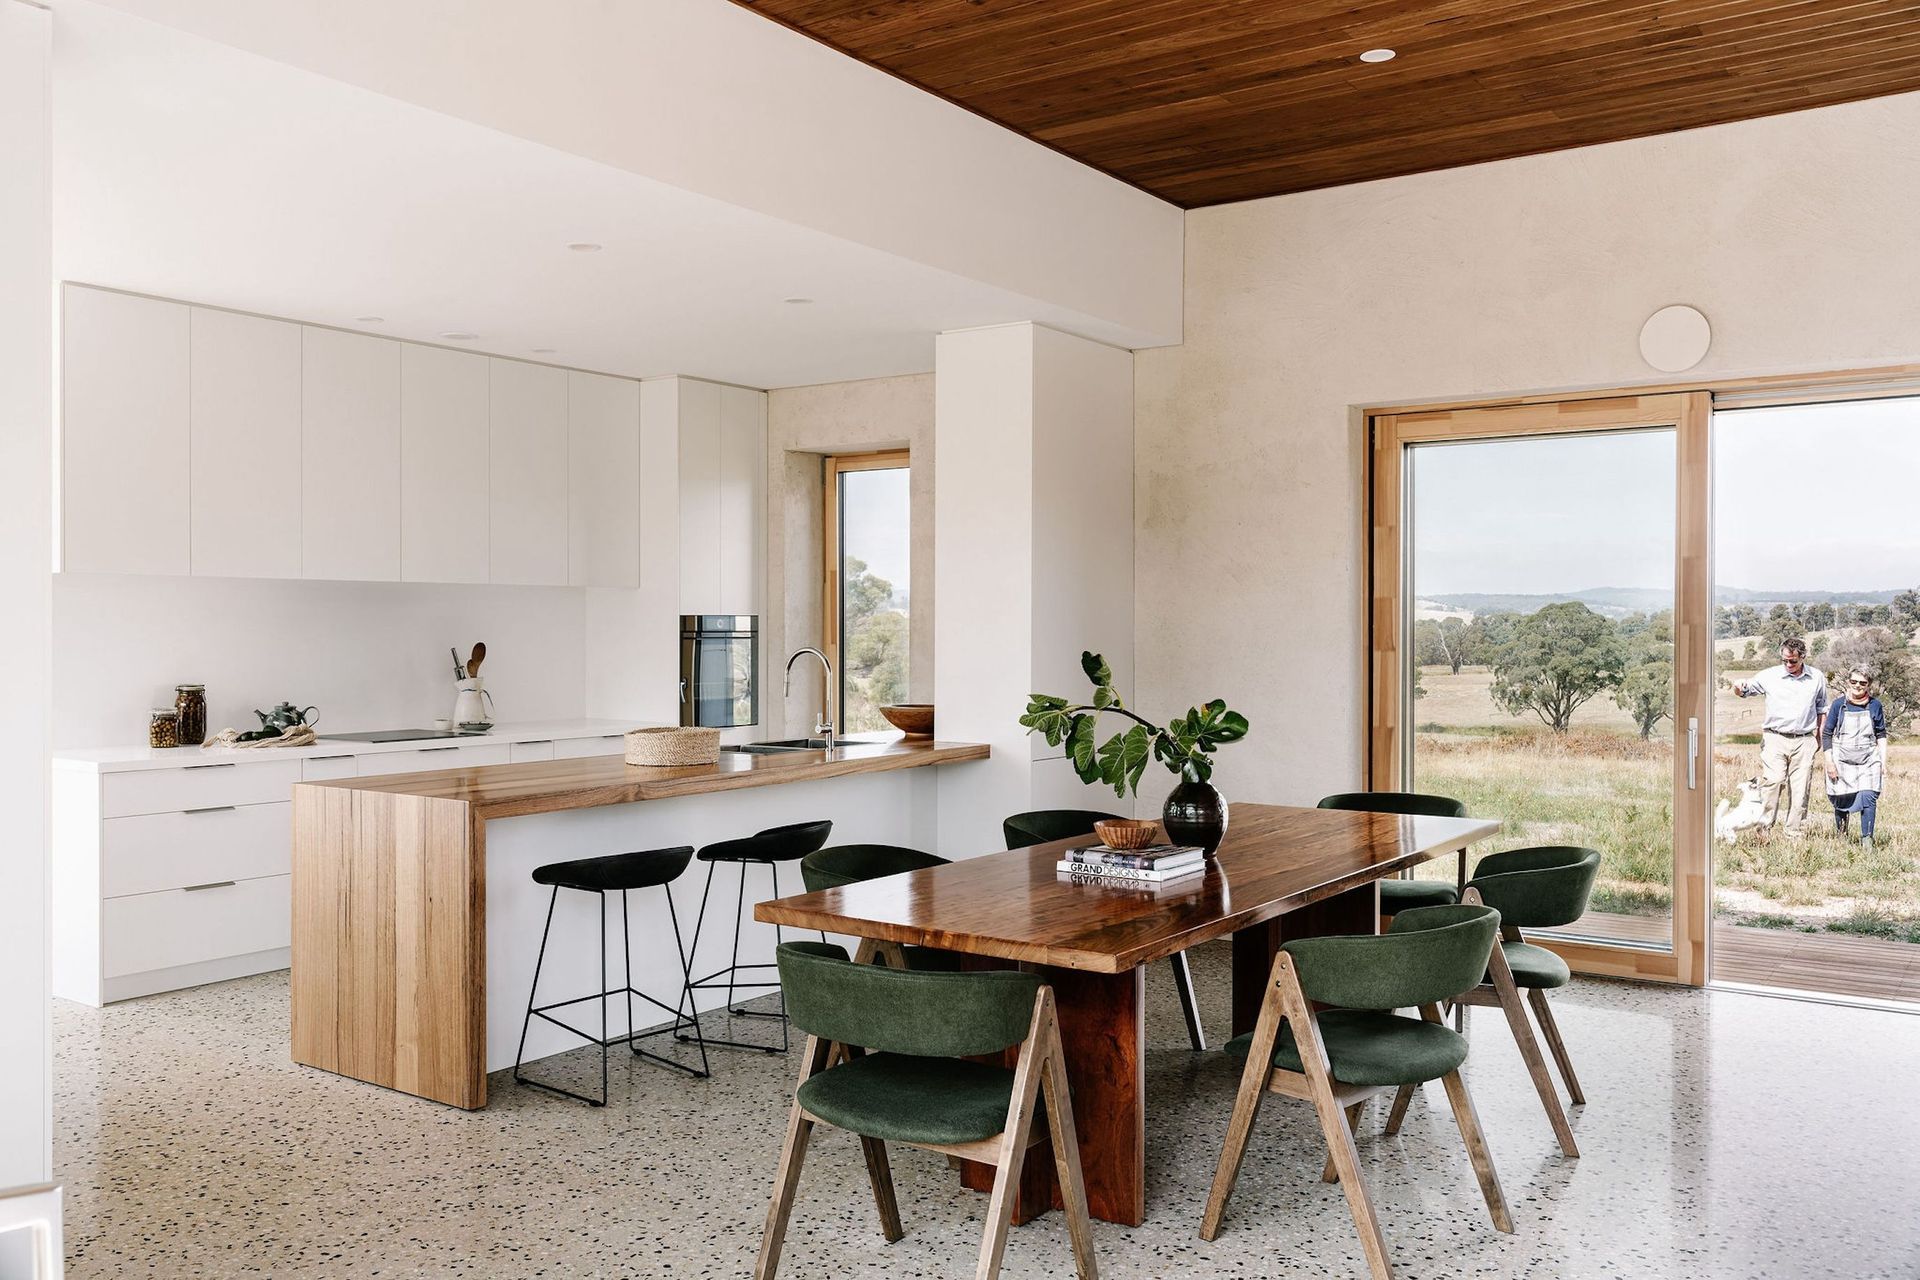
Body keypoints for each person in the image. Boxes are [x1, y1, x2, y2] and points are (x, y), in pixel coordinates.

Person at [1732, 637, 1828, 838]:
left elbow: (1821, 709)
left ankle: (1794, 833)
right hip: (1775, 738)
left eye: (1793, 661)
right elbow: (1744, 691)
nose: (1788, 665)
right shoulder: (1769, 676)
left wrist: (1819, 737)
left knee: (1801, 789)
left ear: (1803, 657)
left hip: (1804, 740)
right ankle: (1763, 832)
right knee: (1773, 782)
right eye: (1784, 660)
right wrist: (1738, 687)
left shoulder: (1817, 677)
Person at [1823, 667, 1888, 848]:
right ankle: (1841, 838)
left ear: (1868, 685)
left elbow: (1881, 734)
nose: (1857, 686)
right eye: (1854, 682)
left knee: (1868, 797)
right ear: (1848, 682)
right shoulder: (1838, 705)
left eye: (1862, 683)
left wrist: (1883, 761)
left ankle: (1867, 840)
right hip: (1841, 758)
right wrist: (1829, 762)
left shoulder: (1875, 705)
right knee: (1842, 798)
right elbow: (1827, 734)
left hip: (1868, 759)